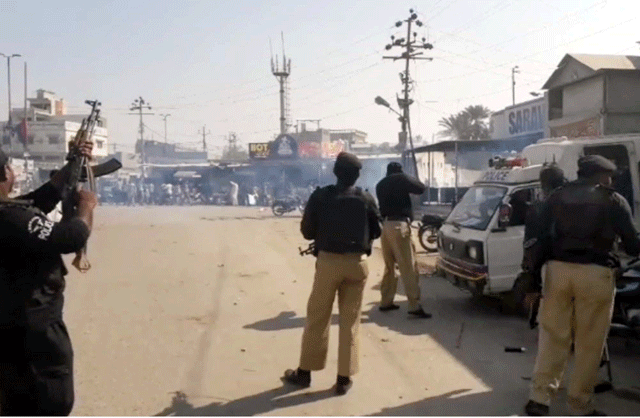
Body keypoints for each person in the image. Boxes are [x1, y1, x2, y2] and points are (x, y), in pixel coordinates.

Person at [525, 155, 640, 416]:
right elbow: (632, 245)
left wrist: (532, 277)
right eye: (608, 176)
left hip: (557, 273)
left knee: (552, 336)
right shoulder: (613, 200)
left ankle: (539, 398)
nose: (610, 180)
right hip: (596, 274)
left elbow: (538, 238)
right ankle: (579, 404)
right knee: (589, 342)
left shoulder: (556, 196)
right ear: (601, 176)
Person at [0, 143, 97, 416]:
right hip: (35, 337)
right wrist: (86, 208)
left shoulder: (12, 214)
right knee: (51, 402)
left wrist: (73, 164)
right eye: (9, 167)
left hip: (9, 332)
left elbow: (40, 198)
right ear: (5, 174)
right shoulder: (12, 218)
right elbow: (71, 237)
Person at [283, 152, 381, 395]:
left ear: (335, 172)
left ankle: (304, 373)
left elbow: (307, 232)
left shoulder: (321, 196)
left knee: (317, 316)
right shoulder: (366, 198)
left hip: (327, 263)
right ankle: (343, 379)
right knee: (350, 322)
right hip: (357, 264)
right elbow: (376, 232)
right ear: (358, 175)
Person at [375, 162, 431, 318]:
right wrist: (409, 177)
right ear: (399, 171)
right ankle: (414, 305)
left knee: (389, 266)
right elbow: (420, 188)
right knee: (408, 266)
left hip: (386, 226)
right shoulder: (401, 178)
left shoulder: (380, 184)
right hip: (400, 226)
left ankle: (386, 301)